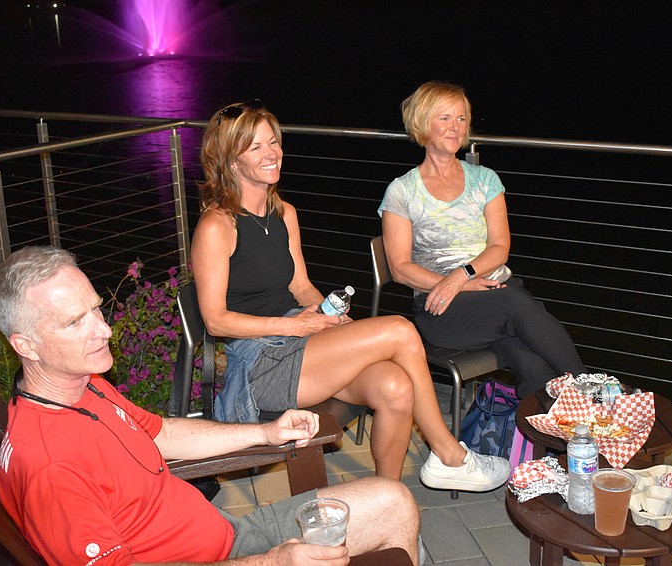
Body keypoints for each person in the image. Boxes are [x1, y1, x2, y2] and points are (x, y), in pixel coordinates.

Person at [0, 245, 420, 565]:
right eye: (74, 322)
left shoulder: (83, 387)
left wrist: (265, 433)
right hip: (235, 558)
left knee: (393, 501)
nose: (103, 330)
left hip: (227, 537)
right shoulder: (51, 466)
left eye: (97, 310)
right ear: (25, 345)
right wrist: (271, 562)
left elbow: (162, 433)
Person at [190, 99, 510, 492]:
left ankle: (384, 503)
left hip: (302, 343)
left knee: (395, 386)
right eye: (255, 147)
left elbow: (300, 286)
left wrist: (328, 314)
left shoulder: (284, 213)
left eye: (273, 142)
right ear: (230, 160)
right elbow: (216, 320)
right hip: (260, 363)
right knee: (399, 330)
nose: (271, 153)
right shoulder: (217, 226)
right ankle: (448, 454)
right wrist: (295, 325)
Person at [379, 81, 586, 399]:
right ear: (423, 123)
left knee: (532, 365)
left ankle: (551, 440)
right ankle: (594, 392)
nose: (455, 128)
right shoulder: (402, 191)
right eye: (444, 118)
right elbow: (400, 269)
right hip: (444, 309)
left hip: (495, 294)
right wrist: (453, 284)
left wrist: (463, 275)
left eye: (461, 119)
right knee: (519, 306)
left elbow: (500, 247)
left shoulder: (485, 179)